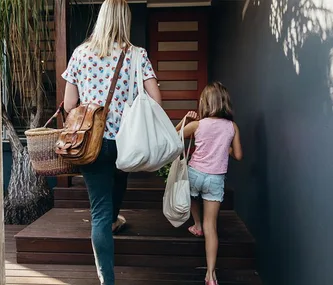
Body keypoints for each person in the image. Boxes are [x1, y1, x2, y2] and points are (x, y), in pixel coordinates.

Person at [61, 1, 162, 284]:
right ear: (125, 21)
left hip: (91, 142)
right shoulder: (137, 55)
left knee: (100, 211)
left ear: (102, 18)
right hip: (126, 141)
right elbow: (156, 101)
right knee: (118, 184)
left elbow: (70, 104)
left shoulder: (80, 54)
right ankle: (113, 220)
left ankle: (107, 278)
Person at [175, 82, 243, 285]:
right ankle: (211, 275)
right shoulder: (232, 127)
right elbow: (238, 155)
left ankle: (196, 224)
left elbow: (172, 137)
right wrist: (224, 147)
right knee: (211, 226)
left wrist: (185, 119)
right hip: (216, 178)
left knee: (192, 194)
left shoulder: (198, 124)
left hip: (195, 173)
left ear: (204, 103)